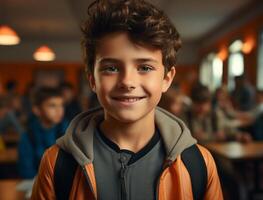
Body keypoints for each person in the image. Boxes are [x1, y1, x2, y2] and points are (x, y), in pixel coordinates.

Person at [31, 0, 223, 199]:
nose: (127, 82)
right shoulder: (57, 163)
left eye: (145, 68)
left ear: (166, 79)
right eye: (111, 68)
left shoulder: (198, 163)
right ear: (92, 80)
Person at [18, 87, 68, 179]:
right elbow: (26, 170)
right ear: (37, 110)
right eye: (52, 106)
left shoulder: (68, 132)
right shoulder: (29, 135)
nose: (59, 110)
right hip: (36, 183)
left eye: (61, 105)